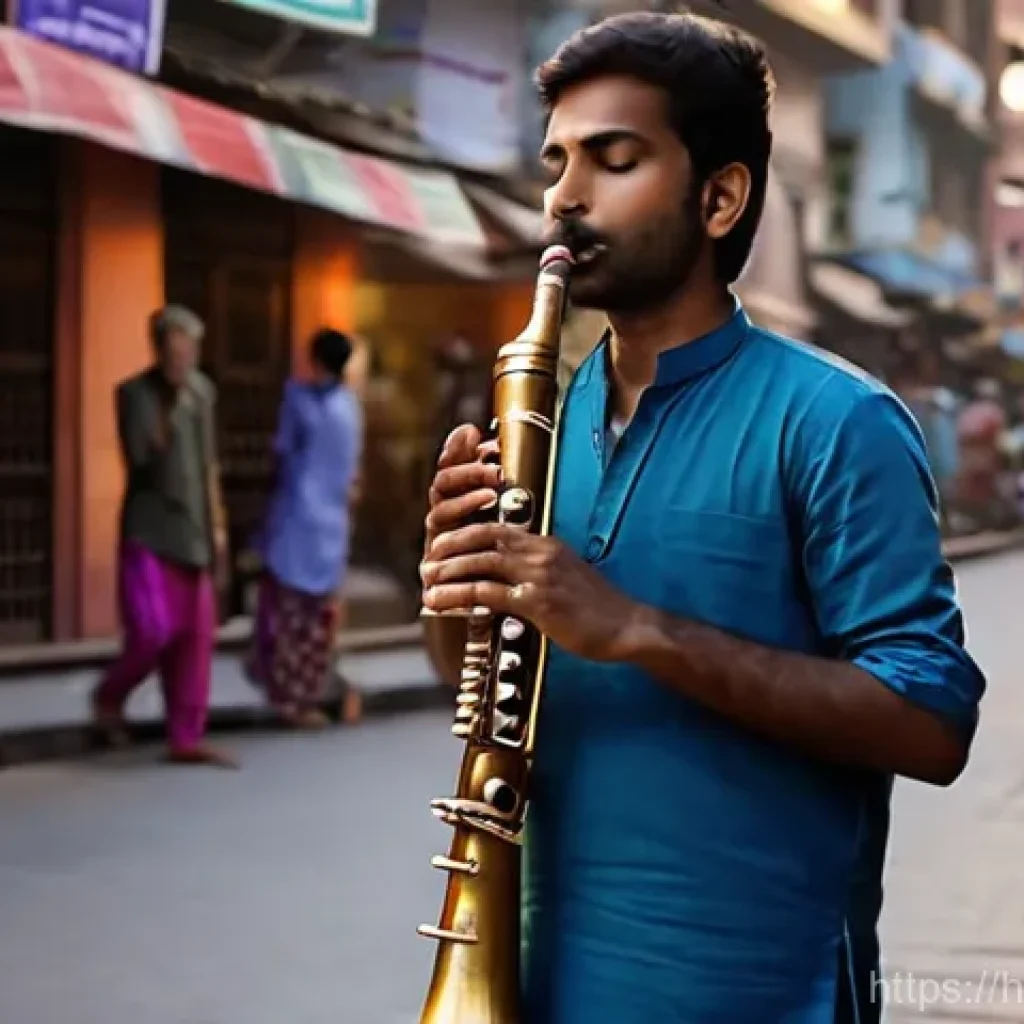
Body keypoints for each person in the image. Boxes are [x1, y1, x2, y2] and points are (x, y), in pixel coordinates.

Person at [419, 13, 985, 1024]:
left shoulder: (837, 421)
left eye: (614, 160)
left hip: (765, 996)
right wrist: (454, 588)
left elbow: (932, 723)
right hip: (539, 985)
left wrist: (638, 629)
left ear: (718, 196)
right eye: (555, 162)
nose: (564, 197)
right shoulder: (539, 421)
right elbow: (484, 689)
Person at [91, 305, 234, 768]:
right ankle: (110, 696)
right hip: (150, 533)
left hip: (193, 533)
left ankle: (185, 737)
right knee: (151, 632)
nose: (184, 357)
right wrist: (167, 406)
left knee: (196, 641)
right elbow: (139, 458)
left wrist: (217, 529)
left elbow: (209, 464)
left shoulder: (202, 392)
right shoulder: (135, 394)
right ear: (159, 348)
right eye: (176, 347)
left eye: (190, 348)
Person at [246, 328, 363, 729]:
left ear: (314, 360)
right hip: (330, 527)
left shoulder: (299, 401)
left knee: (290, 620)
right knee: (316, 623)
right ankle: (308, 695)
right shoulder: (350, 408)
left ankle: (291, 699)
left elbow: (281, 456)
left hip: (297, 521)